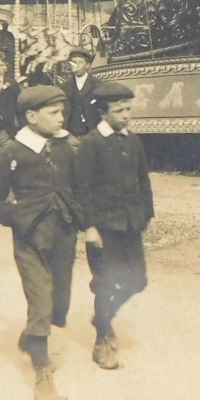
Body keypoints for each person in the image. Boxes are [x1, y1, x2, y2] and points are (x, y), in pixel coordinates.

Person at [0, 86, 86, 400]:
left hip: (64, 233)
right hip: (31, 237)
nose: (61, 117)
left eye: (62, 111)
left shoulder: (66, 147)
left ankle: (30, 339)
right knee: (41, 301)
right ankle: (42, 373)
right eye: (53, 112)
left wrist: (85, 219)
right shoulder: (13, 152)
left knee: (59, 304)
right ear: (31, 116)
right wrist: (17, 216)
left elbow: (77, 186)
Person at [75, 82, 154, 370]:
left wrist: (145, 214)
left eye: (128, 109)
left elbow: (143, 179)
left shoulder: (132, 141)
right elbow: (81, 190)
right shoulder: (91, 144)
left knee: (138, 281)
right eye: (119, 110)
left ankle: (102, 317)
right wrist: (89, 227)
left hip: (130, 224)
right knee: (106, 285)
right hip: (103, 228)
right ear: (103, 113)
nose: (126, 115)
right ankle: (101, 341)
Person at [62, 48, 101, 138]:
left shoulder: (97, 84)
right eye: (73, 62)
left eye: (80, 62)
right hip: (72, 134)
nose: (76, 66)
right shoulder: (65, 86)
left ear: (87, 65)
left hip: (92, 133)